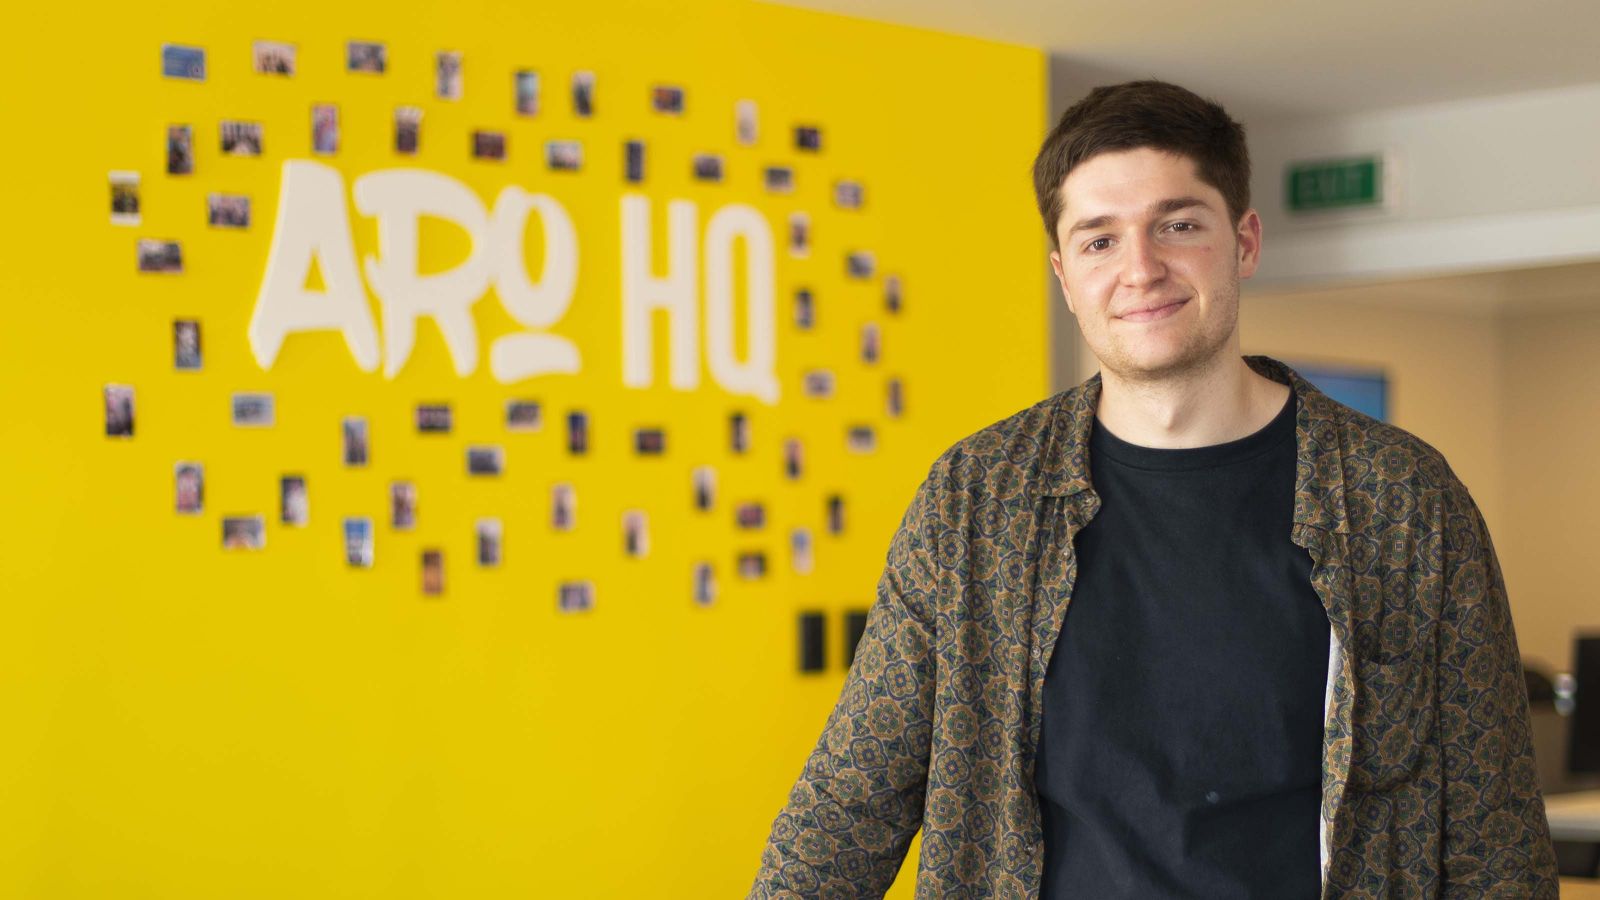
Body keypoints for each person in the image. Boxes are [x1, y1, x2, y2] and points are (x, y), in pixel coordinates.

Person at [750, 80, 1557, 898]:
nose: (1141, 268)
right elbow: (847, 807)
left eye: (1177, 225)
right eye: (1100, 240)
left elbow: (1496, 839)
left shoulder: (1402, 500)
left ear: (1244, 241)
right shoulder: (978, 500)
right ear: (1065, 276)